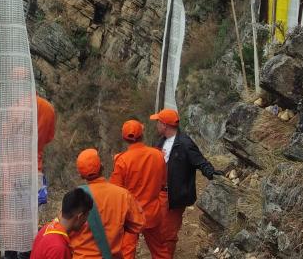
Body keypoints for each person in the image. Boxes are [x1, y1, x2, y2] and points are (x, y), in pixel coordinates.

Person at [145, 108, 222, 259]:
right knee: (155, 229)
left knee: (167, 233)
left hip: (173, 196)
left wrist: (212, 173)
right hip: (157, 194)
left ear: (164, 125)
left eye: (158, 122)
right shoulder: (160, 141)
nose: (156, 125)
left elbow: (200, 162)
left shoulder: (185, 143)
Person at [70, 148, 145, 259]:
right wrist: (119, 224)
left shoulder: (74, 197)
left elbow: (65, 228)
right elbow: (139, 225)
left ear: (81, 175)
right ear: (102, 167)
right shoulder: (123, 195)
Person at [110, 120, 166, 258]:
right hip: (153, 212)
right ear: (142, 134)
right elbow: (163, 182)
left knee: (127, 253)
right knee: (160, 251)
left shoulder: (122, 161)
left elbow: (115, 192)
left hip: (130, 215)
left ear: (124, 138)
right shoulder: (158, 155)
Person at [30, 187, 94, 259]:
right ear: (80, 216)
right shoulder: (59, 248)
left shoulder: (47, 227)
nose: (86, 222)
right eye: (86, 216)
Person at [37, 94, 56, 205]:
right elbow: (49, 137)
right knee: (33, 211)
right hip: (36, 170)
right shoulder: (48, 108)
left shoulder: (14, 108)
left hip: (13, 172)